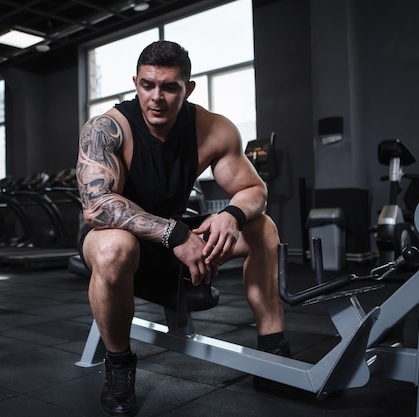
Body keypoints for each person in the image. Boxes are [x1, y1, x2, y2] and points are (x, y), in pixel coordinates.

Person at [76, 40, 288, 417]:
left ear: (187, 89)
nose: (156, 97)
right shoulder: (106, 128)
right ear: (136, 83)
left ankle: (273, 350)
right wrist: (175, 234)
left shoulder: (212, 129)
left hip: (178, 234)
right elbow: (97, 206)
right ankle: (120, 366)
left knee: (264, 228)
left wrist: (233, 216)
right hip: (118, 235)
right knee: (114, 247)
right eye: (147, 85)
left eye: (169, 87)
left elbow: (254, 189)